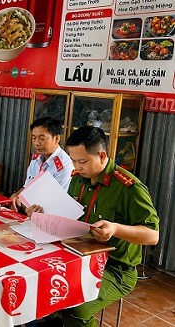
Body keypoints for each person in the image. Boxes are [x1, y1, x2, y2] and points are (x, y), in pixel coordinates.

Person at [56, 126, 159, 327]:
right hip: (80, 256)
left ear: (102, 156)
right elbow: (69, 215)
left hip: (115, 268)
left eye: (82, 161)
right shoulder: (78, 179)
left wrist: (116, 229)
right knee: (44, 291)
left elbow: (153, 236)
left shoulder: (129, 188)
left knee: (76, 308)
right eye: (73, 161)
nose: (77, 166)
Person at [10, 116, 73, 210]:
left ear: (56, 139)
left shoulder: (64, 167)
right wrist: (16, 195)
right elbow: (27, 186)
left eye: (42, 139)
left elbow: (57, 203)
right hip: (28, 209)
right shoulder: (36, 159)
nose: (36, 143)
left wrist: (23, 203)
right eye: (34, 138)